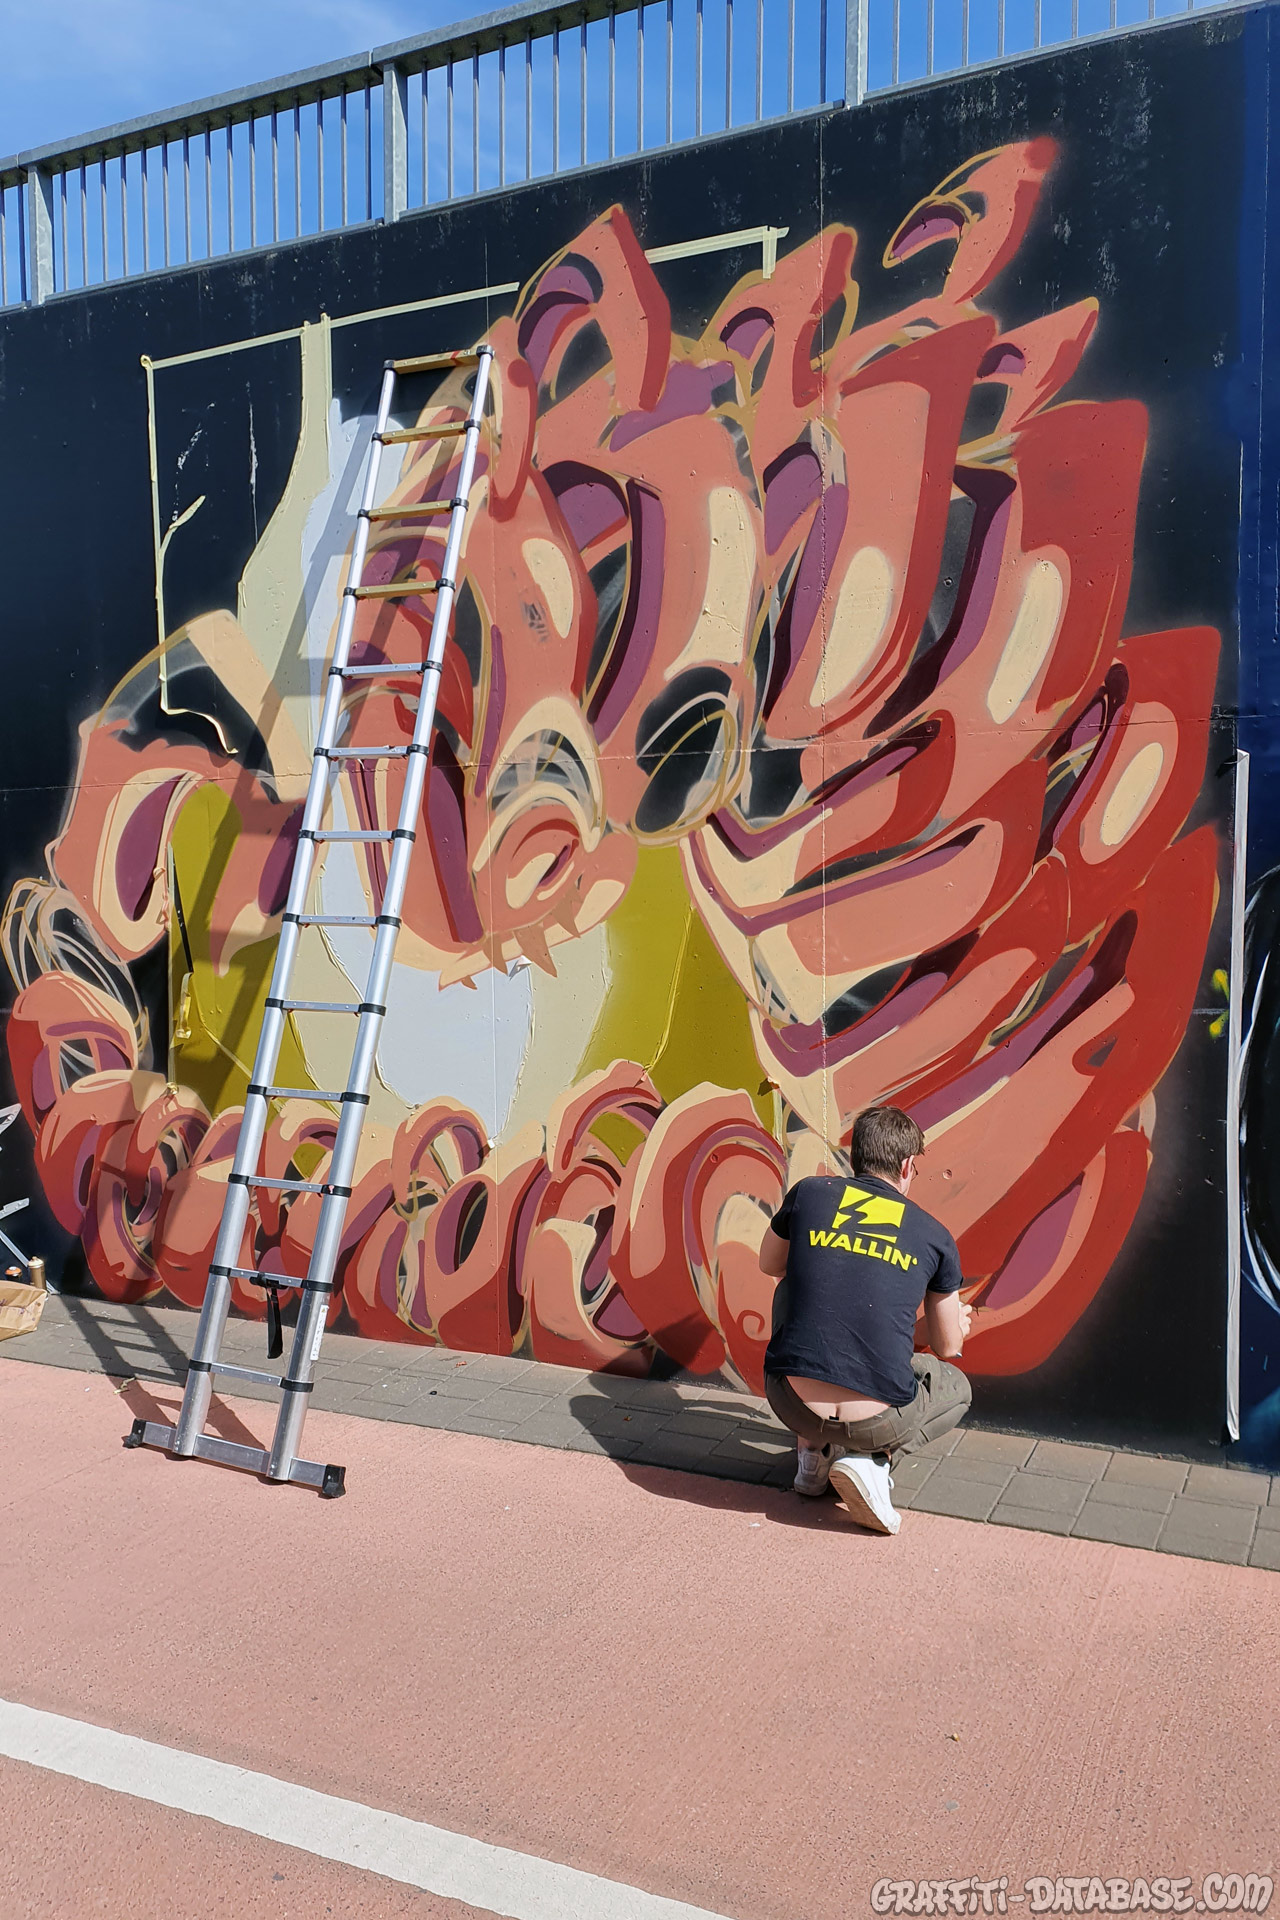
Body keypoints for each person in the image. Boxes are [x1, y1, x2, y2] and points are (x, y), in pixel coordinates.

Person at [758, 1105, 973, 1535]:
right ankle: (874, 1460)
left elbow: (769, 1264)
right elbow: (948, 1347)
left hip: (790, 1402)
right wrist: (956, 1326)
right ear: (907, 1166)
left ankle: (813, 1454)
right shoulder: (933, 1235)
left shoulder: (809, 1193)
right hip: (877, 1420)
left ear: (854, 1156)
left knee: (787, 1288)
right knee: (955, 1388)